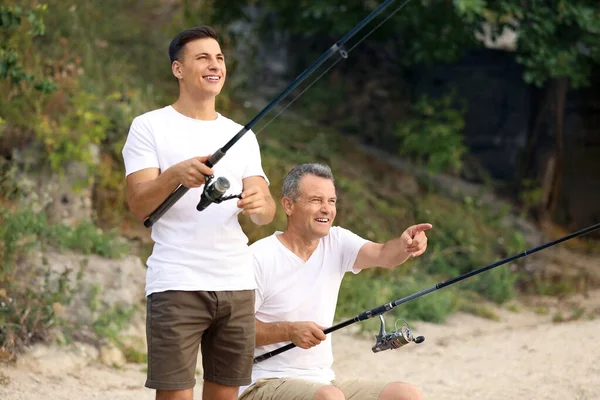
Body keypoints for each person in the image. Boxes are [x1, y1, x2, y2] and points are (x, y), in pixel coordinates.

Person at [122, 25, 276, 400]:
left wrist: (259, 203)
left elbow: (267, 212)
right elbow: (139, 205)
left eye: (220, 58)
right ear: (178, 69)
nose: (215, 65)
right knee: (174, 393)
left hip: (237, 283)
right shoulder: (149, 127)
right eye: (203, 57)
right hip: (176, 281)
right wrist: (175, 175)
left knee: (225, 393)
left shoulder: (243, 135)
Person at [239, 163, 430, 400]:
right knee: (329, 397)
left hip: (323, 381)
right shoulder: (258, 257)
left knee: (406, 395)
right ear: (289, 205)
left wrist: (405, 245)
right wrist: (288, 331)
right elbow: (235, 330)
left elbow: (384, 254)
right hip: (262, 381)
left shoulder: (337, 241)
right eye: (316, 200)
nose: (326, 209)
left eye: (331, 201)